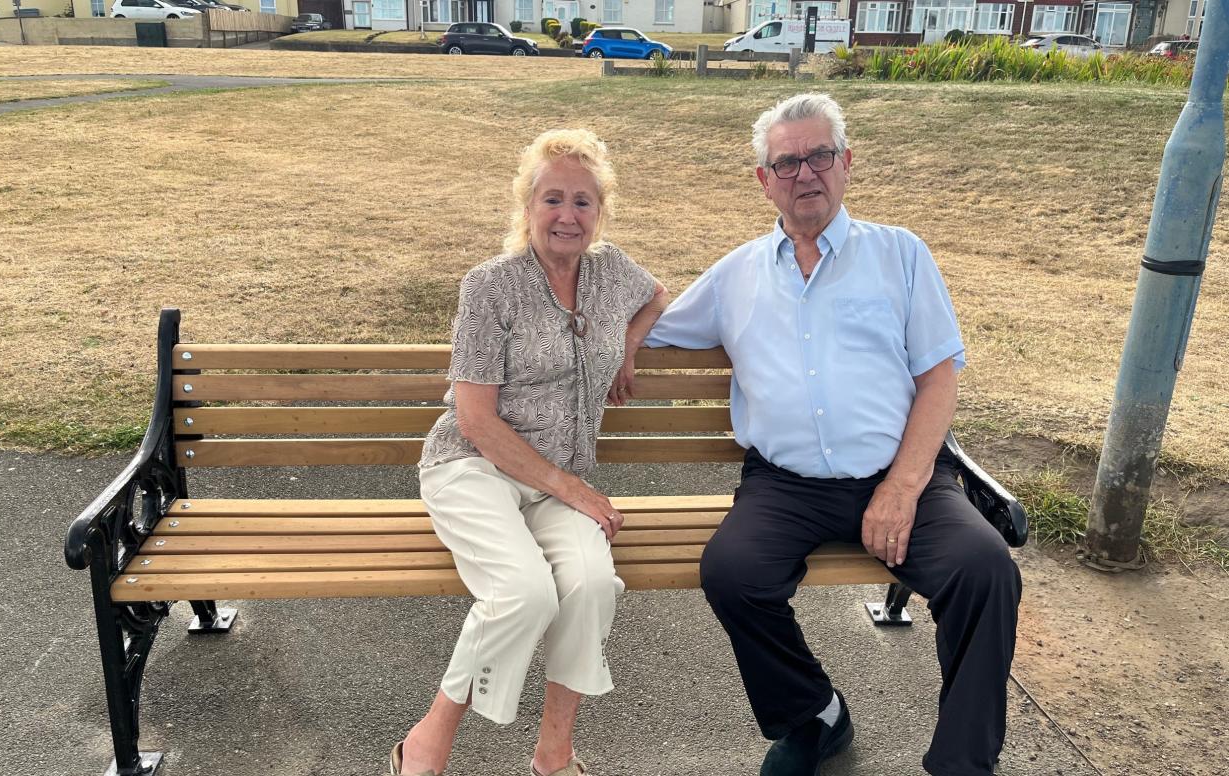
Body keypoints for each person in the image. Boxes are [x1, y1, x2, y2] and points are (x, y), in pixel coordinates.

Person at [644, 93, 1022, 776]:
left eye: (819, 155)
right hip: (784, 486)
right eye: (785, 162)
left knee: (984, 570)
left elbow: (939, 378)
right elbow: (651, 324)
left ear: (846, 163)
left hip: (902, 476)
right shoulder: (737, 274)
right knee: (733, 574)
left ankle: (963, 763)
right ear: (764, 180)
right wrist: (598, 318)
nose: (805, 173)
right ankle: (813, 718)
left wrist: (903, 487)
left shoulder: (899, 254)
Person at [393, 128, 668, 776]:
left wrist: (626, 345)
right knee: (524, 593)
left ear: (599, 212)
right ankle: (427, 743)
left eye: (581, 201)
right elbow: (475, 419)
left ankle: (553, 755)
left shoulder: (610, 273)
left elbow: (656, 295)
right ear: (526, 207)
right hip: (473, 467)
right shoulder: (490, 286)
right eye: (551, 199)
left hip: (557, 483)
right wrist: (573, 490)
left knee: (593, 585)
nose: (567, 215)